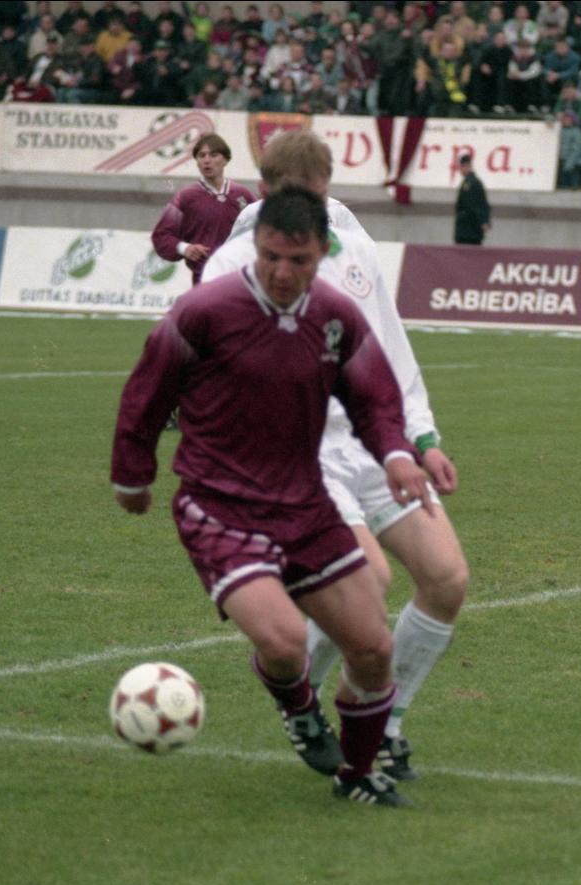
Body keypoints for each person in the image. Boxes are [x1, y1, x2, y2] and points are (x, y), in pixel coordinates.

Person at [111, 186, 433, 809]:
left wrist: (397, 453)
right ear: (255, 247)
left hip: (305, 504)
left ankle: (357, 774)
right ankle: (300, 706)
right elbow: (146, 392)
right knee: (284, 642)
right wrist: (133, 475)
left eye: (299, 260)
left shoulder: (336, 316)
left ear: (323, 253)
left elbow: (374, 400)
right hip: (219, 507)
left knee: (373, 648)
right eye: (271, 257)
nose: (283, 272)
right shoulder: (205, 311)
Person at [203, 132, 469, 787]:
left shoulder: (355, 249)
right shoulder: (231, 264)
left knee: (446, 579)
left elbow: (391, 352)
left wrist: (423, 438)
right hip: (300, 457)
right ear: (266, 193)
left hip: (374, 447)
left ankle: (387, 721)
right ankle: (331, 712)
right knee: (369, 582)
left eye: (317, 199)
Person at [151, 134, 256, 286]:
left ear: (226, 159)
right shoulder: (185, 197)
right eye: (201, 155)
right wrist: (184, 248)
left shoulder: (243, 195)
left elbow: (263, 231)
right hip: (204, 278)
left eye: (213, 155)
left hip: (240, 278)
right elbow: (161, 235)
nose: (207, 160)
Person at [454, 152, 491, 245]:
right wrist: (484, 221)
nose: (460, 170)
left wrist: (482, 221)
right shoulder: (475, 182)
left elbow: (473, 206)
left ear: (466, 166)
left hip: (468, 231)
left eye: (461, 167)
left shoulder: (469, 184)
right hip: (472, 231)